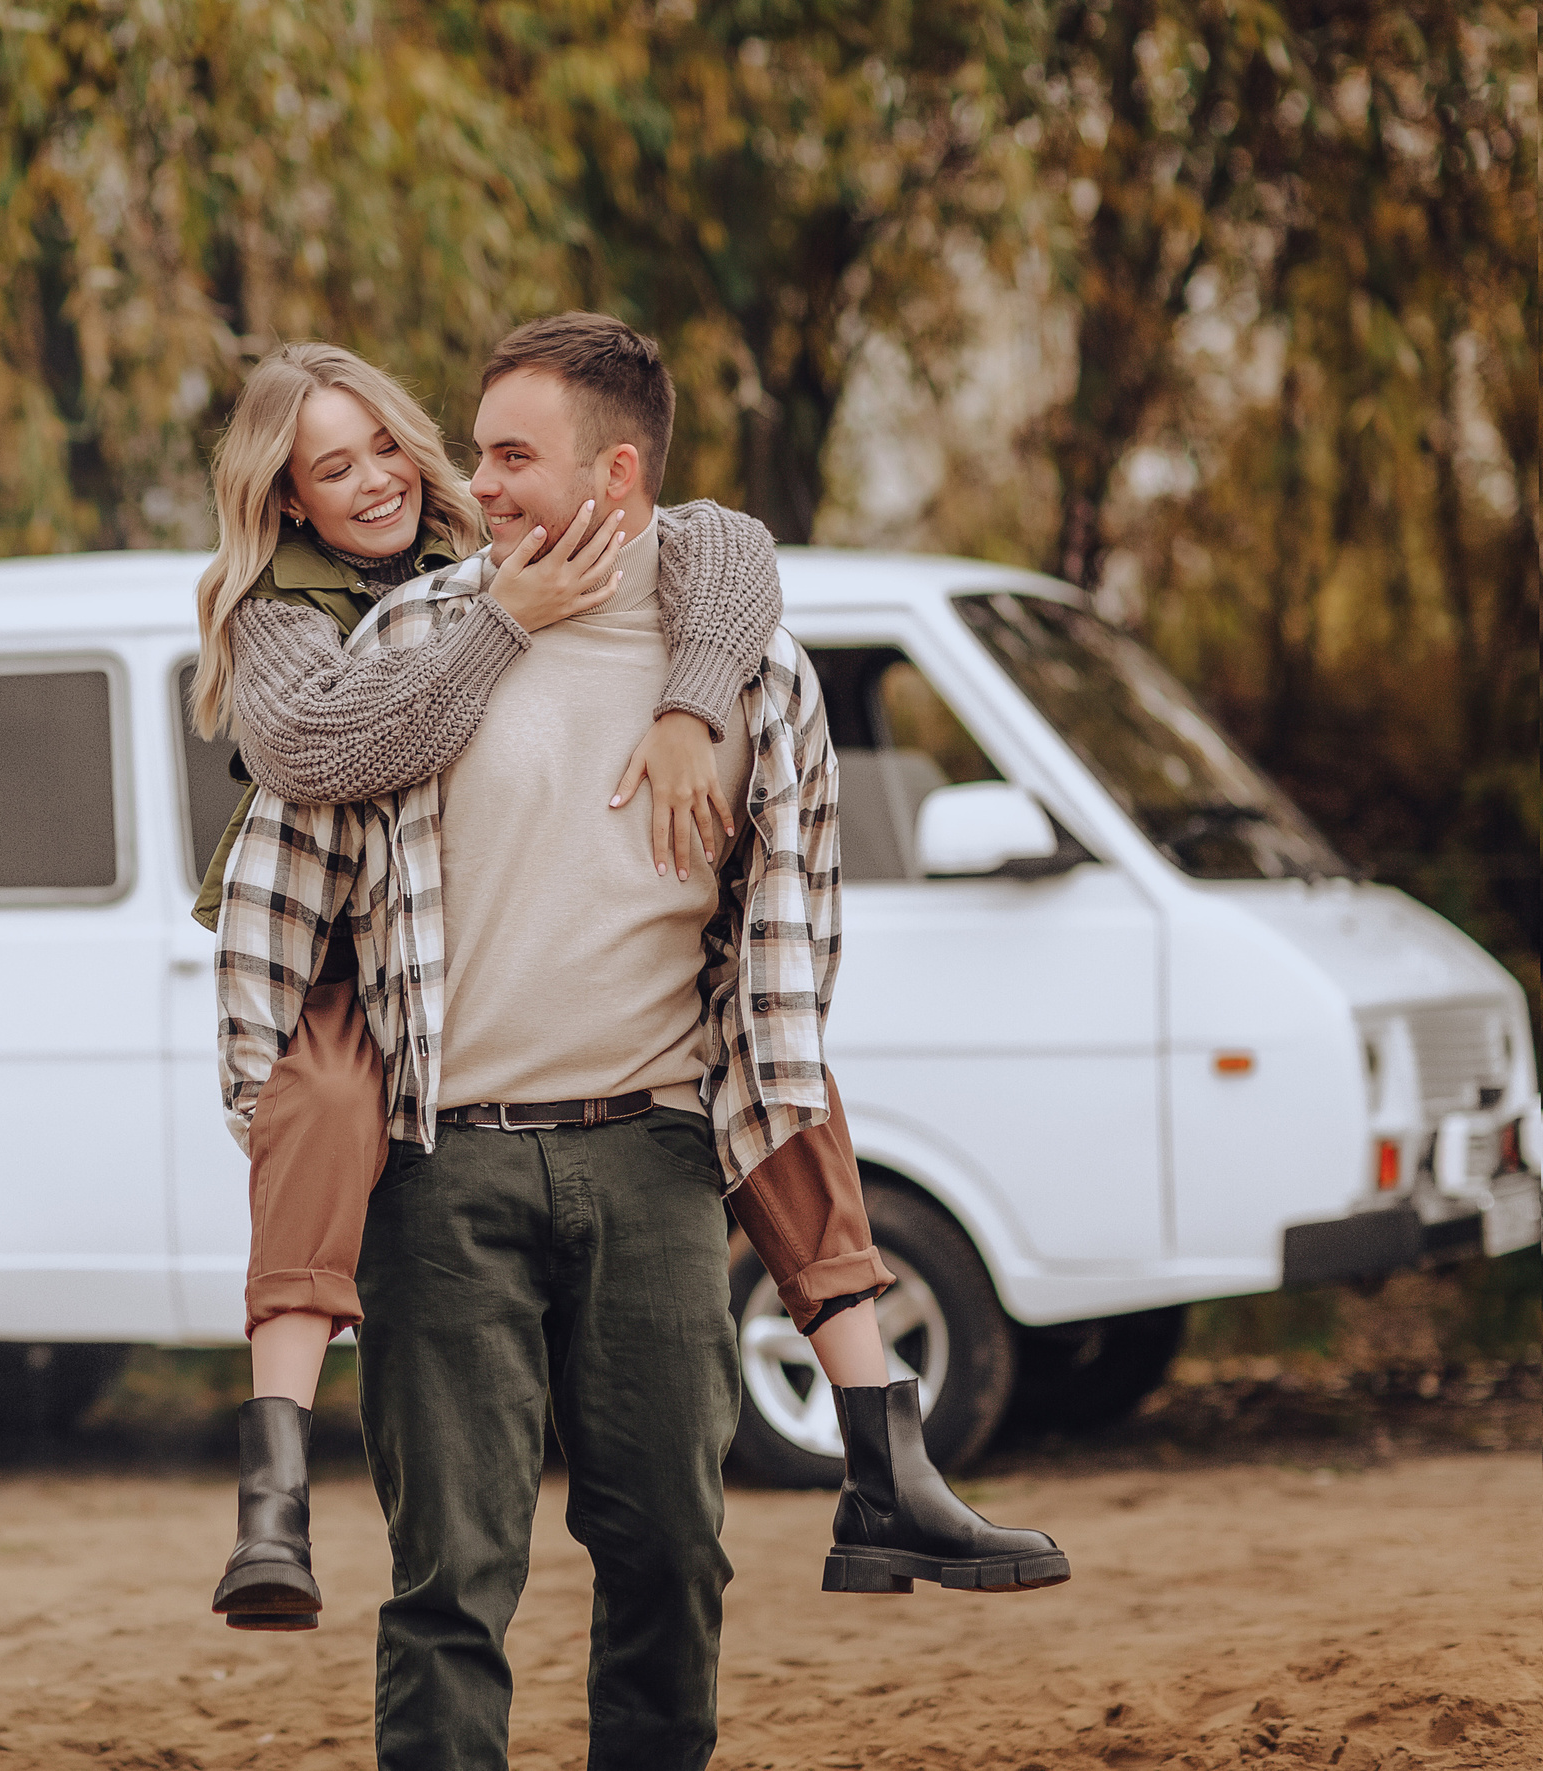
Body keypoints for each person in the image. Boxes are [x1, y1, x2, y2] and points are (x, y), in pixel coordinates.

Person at [215, 315, 1066, 1769]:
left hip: (656, 1165)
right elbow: (276, 893)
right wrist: (282, 1104)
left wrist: (692, 700)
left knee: (673, 1552)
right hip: (444, 1169)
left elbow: (789, 966)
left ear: (615, 469)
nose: (470, 486)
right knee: (451, 1584)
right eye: (471, 450)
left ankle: (882, 1460)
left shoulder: (757, 677)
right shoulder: (404, 642)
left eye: (508, 454)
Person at [185, 341, 788, 1628]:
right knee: (323, 1106)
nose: (375, 482)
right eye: (331, 469)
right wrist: (503, 624)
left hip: (599, 1069)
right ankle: (271, 1484)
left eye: (389, 447)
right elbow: (326, 744)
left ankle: (882, 1434)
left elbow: (724, 544)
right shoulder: (283, 613)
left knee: (790, 1064)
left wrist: (688, 701)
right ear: (286, 498)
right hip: (358, 959)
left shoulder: (484, 523)